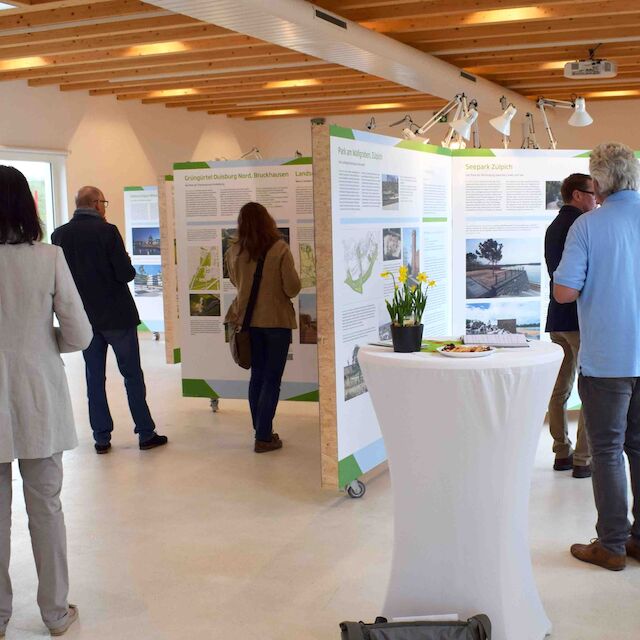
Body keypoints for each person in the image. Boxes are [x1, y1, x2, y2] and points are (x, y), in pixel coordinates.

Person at [0, 166, 93, 635]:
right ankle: (55, 613)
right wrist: (41, 340)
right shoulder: (48, 257)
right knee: (47, 508)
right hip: (37, 393)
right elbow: (79, 333)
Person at [554, 142, 640, 571]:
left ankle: (611, 544)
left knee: (606, 449)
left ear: (600, 181)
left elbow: (565, 291)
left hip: (608, 356)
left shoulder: (588, 226)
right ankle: (639, 539)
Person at [51, 187, 167, 454]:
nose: (105, 206)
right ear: (95, 204)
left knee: (94, 378)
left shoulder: (59, 235)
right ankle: (145, 432)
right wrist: (126, 261)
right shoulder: (108, 231)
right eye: (104, 202)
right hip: (117, 316)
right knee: (132, 375)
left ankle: (101, 438)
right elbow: (125, 274)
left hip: (85, 318)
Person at [224, 202, 301, 453]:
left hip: (248, 323)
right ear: (267, 220)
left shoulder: (234, 251)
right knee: (272, 379)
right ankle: (264, 436)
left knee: (256, 376)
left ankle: (261, 430)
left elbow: (236, 282)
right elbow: (292, 288)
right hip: (276, 322)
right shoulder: (279, 249)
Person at [544, 173, 595, 478]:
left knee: (560, 387)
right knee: (588, 386)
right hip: (578, 317)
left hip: (557, 317)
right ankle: (583, 459)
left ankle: (561, 452)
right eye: (591, 193)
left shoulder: (553, 227)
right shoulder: (580, 226)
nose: (596, 199)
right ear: (577, 195)